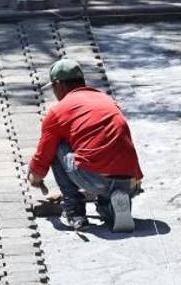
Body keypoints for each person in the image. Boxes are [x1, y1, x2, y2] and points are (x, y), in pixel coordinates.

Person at [27, 58, 143, 233]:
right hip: (130, 182)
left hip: (96, 181)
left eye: (53, 88)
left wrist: (35, 179)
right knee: (98, 146)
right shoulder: (106, 100)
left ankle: (75, 212)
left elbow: (42, 159)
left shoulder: (58, 112)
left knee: (57, 145)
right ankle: (109, 205)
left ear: (59, 86)